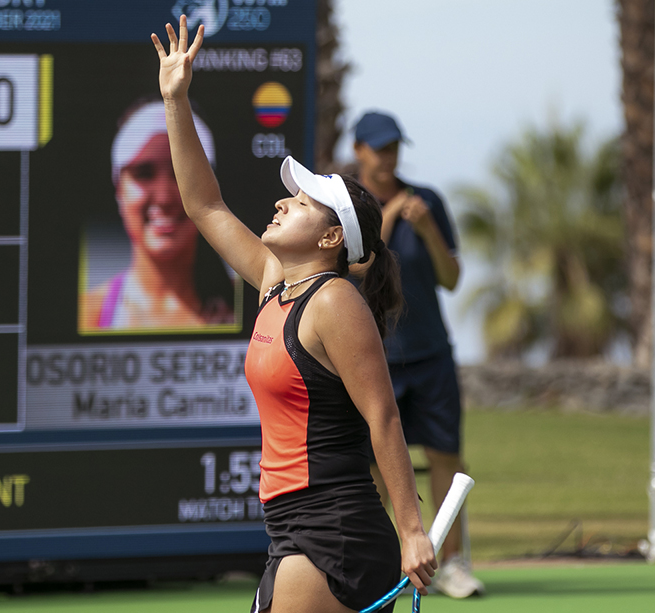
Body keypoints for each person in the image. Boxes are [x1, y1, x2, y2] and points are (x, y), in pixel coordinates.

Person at [152, 17, 435, 613]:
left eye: (302, 202)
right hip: (292, 528)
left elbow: (383, 416)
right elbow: (203, 204)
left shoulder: (334, 301)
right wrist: (176, 101)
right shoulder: (277, 284)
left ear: (332, 237)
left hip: (336, 532)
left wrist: (411, 530)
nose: (282, 201)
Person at [352, 111, 485, 598]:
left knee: (446, 455)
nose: (388, 158)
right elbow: (356, 271)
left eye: (394, 148)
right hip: (371, 359)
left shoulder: (427, 201)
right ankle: (383, 565)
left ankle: (453, 565)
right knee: (375, 467)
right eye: (379, 149)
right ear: (359, 150)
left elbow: (451, 278)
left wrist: (427, 228)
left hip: (431, 355)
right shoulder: (349, 204)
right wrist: (387, 219)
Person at [79, 97, 235, 332]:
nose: (164, 197)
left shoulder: (253, 303)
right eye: (144, 173)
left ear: (210, 186)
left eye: (181, 173)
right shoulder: (90, 312)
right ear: (118, 188)